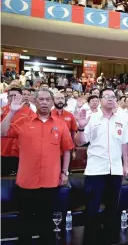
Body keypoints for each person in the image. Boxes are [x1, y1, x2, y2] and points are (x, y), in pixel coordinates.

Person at [1, 88, 74, 245]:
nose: (45, 102)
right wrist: (12, 112)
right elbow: (2, 132)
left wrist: (65, 172)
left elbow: (67, 150)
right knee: (25, 221)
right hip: (26, 181)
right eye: (41, 99)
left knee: (46, 222)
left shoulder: (60, 125)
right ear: (34, 101)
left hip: (50, 181)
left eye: (48, 99)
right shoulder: (23, 122)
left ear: (52, 102)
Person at [75, 88, 128, 244]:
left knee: (113, 208)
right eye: (107, 96)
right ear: (100, 100)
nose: (110, 99)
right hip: (96, 170)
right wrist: (80, 127)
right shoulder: (91, 118)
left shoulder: (121, 120)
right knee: (93, 208)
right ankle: (91, 240)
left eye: (113, 97)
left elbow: (124, 144)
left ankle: (110, 239)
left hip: (116, 170)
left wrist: (125, 166)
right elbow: (80, 142)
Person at [1, 88, 35, 175]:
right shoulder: (2, 111)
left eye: (15, 96)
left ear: (21, 97)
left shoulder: (29, 112)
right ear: (8, 97)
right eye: (11, 96)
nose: (13, 98)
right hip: (3, 151)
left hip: (20, 152)